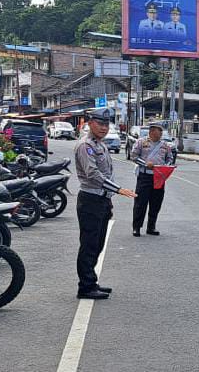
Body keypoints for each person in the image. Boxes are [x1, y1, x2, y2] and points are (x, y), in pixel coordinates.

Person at [74, 108, 137, 300]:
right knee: (89, 244)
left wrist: (110, 195)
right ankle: (85, 287)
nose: (103, 128)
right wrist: (118, 189)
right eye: (99, 123)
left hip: (102, 199)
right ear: (90, 123)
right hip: (90, 200)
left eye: (106, 124)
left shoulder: (100, 144)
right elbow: (93, 174)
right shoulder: (86, 146)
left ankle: (91, 281)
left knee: (98, 243)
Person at [130, 122, 174, 237]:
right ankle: (137, 227)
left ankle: (151, 226)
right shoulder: (141, 142)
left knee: (156, 202)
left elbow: (170, 158)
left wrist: (166, 165)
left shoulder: (165, 145)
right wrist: (145, 164)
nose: (160, 133)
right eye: (158, 131)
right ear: (151, 131)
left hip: (159, 177)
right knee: (140, 203)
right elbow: (134, 156)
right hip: (145, 176)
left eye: (161, 131)